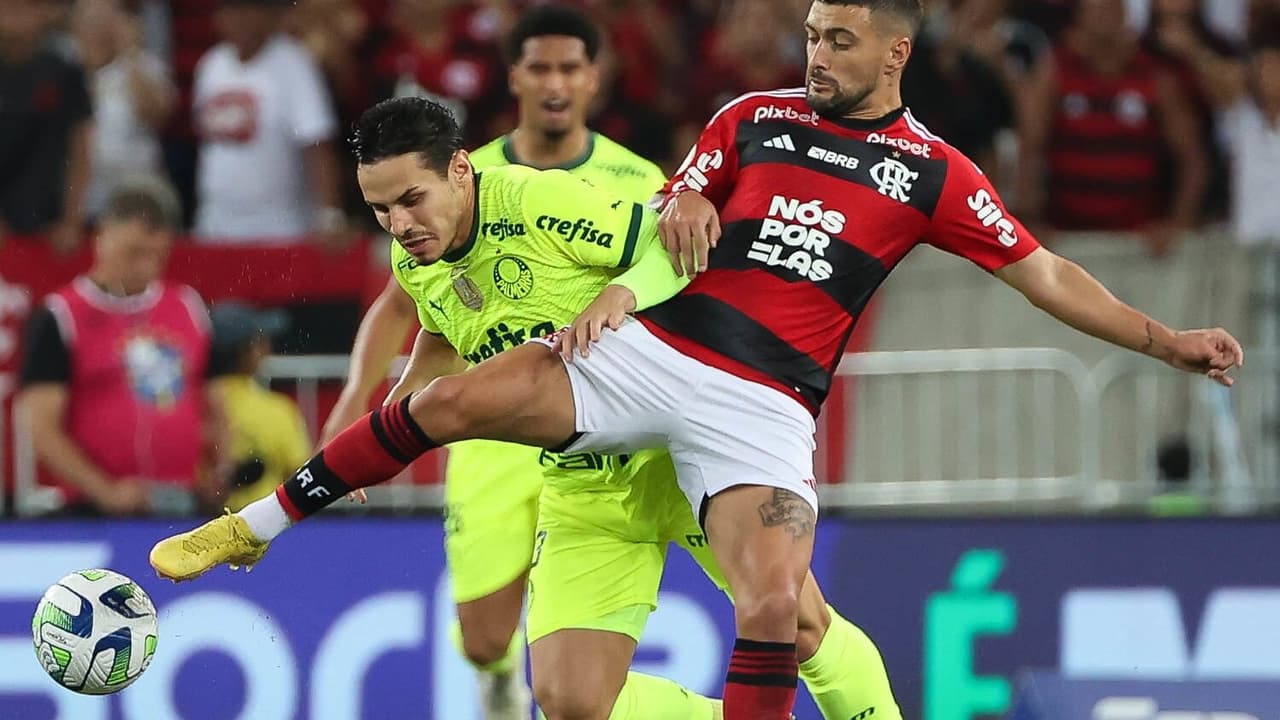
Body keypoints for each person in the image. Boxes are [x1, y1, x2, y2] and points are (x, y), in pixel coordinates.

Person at [152, 1, 1245, 717]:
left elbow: (1043, 271)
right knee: (452, 407)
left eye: (839, 40)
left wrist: (1164, 341)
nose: (816, 55)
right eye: (811, 34)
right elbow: (672, 197)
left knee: (781, 612)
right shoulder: (752, 116)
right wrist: (665, 226)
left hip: (763, 404)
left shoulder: (933, 175)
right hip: (656, 354)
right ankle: (256, 527)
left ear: (895, 50)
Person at [320, 7, 672, 716]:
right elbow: (405, 304)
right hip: (490, 432)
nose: (554, 83)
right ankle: (502, 684)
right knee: (483, 637)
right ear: (513, 76)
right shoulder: (455, 179)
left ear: (594, 78)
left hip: (594, 430)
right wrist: (359, 396)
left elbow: (665, 271)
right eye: (538, 67)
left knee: (580, 657)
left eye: (569, 67)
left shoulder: (635, 177)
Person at [17, 176, 229, 517]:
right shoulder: (62, 315)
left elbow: (216, 401)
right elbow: (39, 424)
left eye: (157, 255)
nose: (146, 265)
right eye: (134, 253)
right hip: (92, 511)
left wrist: (221, 463)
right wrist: (105, 491)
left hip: (183, 503)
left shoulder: (188, 305)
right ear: (101, 237)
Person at [192, 0, 347, 246]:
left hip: (279, 228)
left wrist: (329, 215)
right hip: (215, 226)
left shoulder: (293, 63)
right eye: (231, 10)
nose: (239, 18)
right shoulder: (211, 65)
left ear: (266, 14)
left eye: (246, 9)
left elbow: (318, 144)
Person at [0, 0, 92, 252]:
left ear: (42, 13)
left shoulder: (64, 71)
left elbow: (81, 150)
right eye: (7, 10)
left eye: (23, 10)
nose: (13, 20)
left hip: (50, 224)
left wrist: (72, 221)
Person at [206, 302, 311, 513]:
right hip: (262, 526)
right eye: (260, 342)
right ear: (243, 351)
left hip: (193, 526)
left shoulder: (188, 405)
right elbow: (302, 479)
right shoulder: (277, 410)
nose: (267, 348)